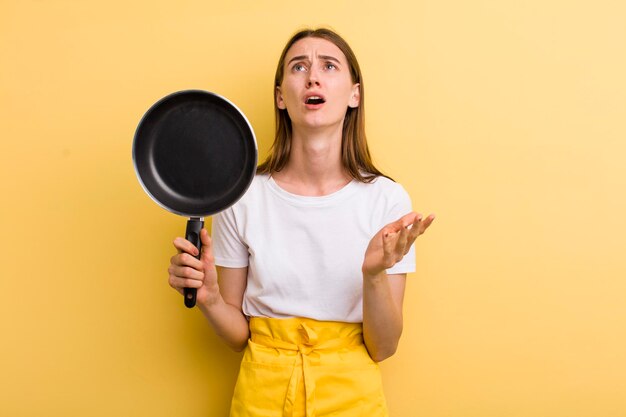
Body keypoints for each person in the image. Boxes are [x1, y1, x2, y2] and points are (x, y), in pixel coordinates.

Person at [168, 28, 435, 417]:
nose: (313, 76)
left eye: (329, 65)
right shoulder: (241, 197)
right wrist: (209, 298)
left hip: (352, 399)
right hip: (262, 396)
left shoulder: (386, 199)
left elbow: (384, 347)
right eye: (299, 66)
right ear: (281, 96)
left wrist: (374, 273)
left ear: (354, 94)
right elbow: (238, 337)